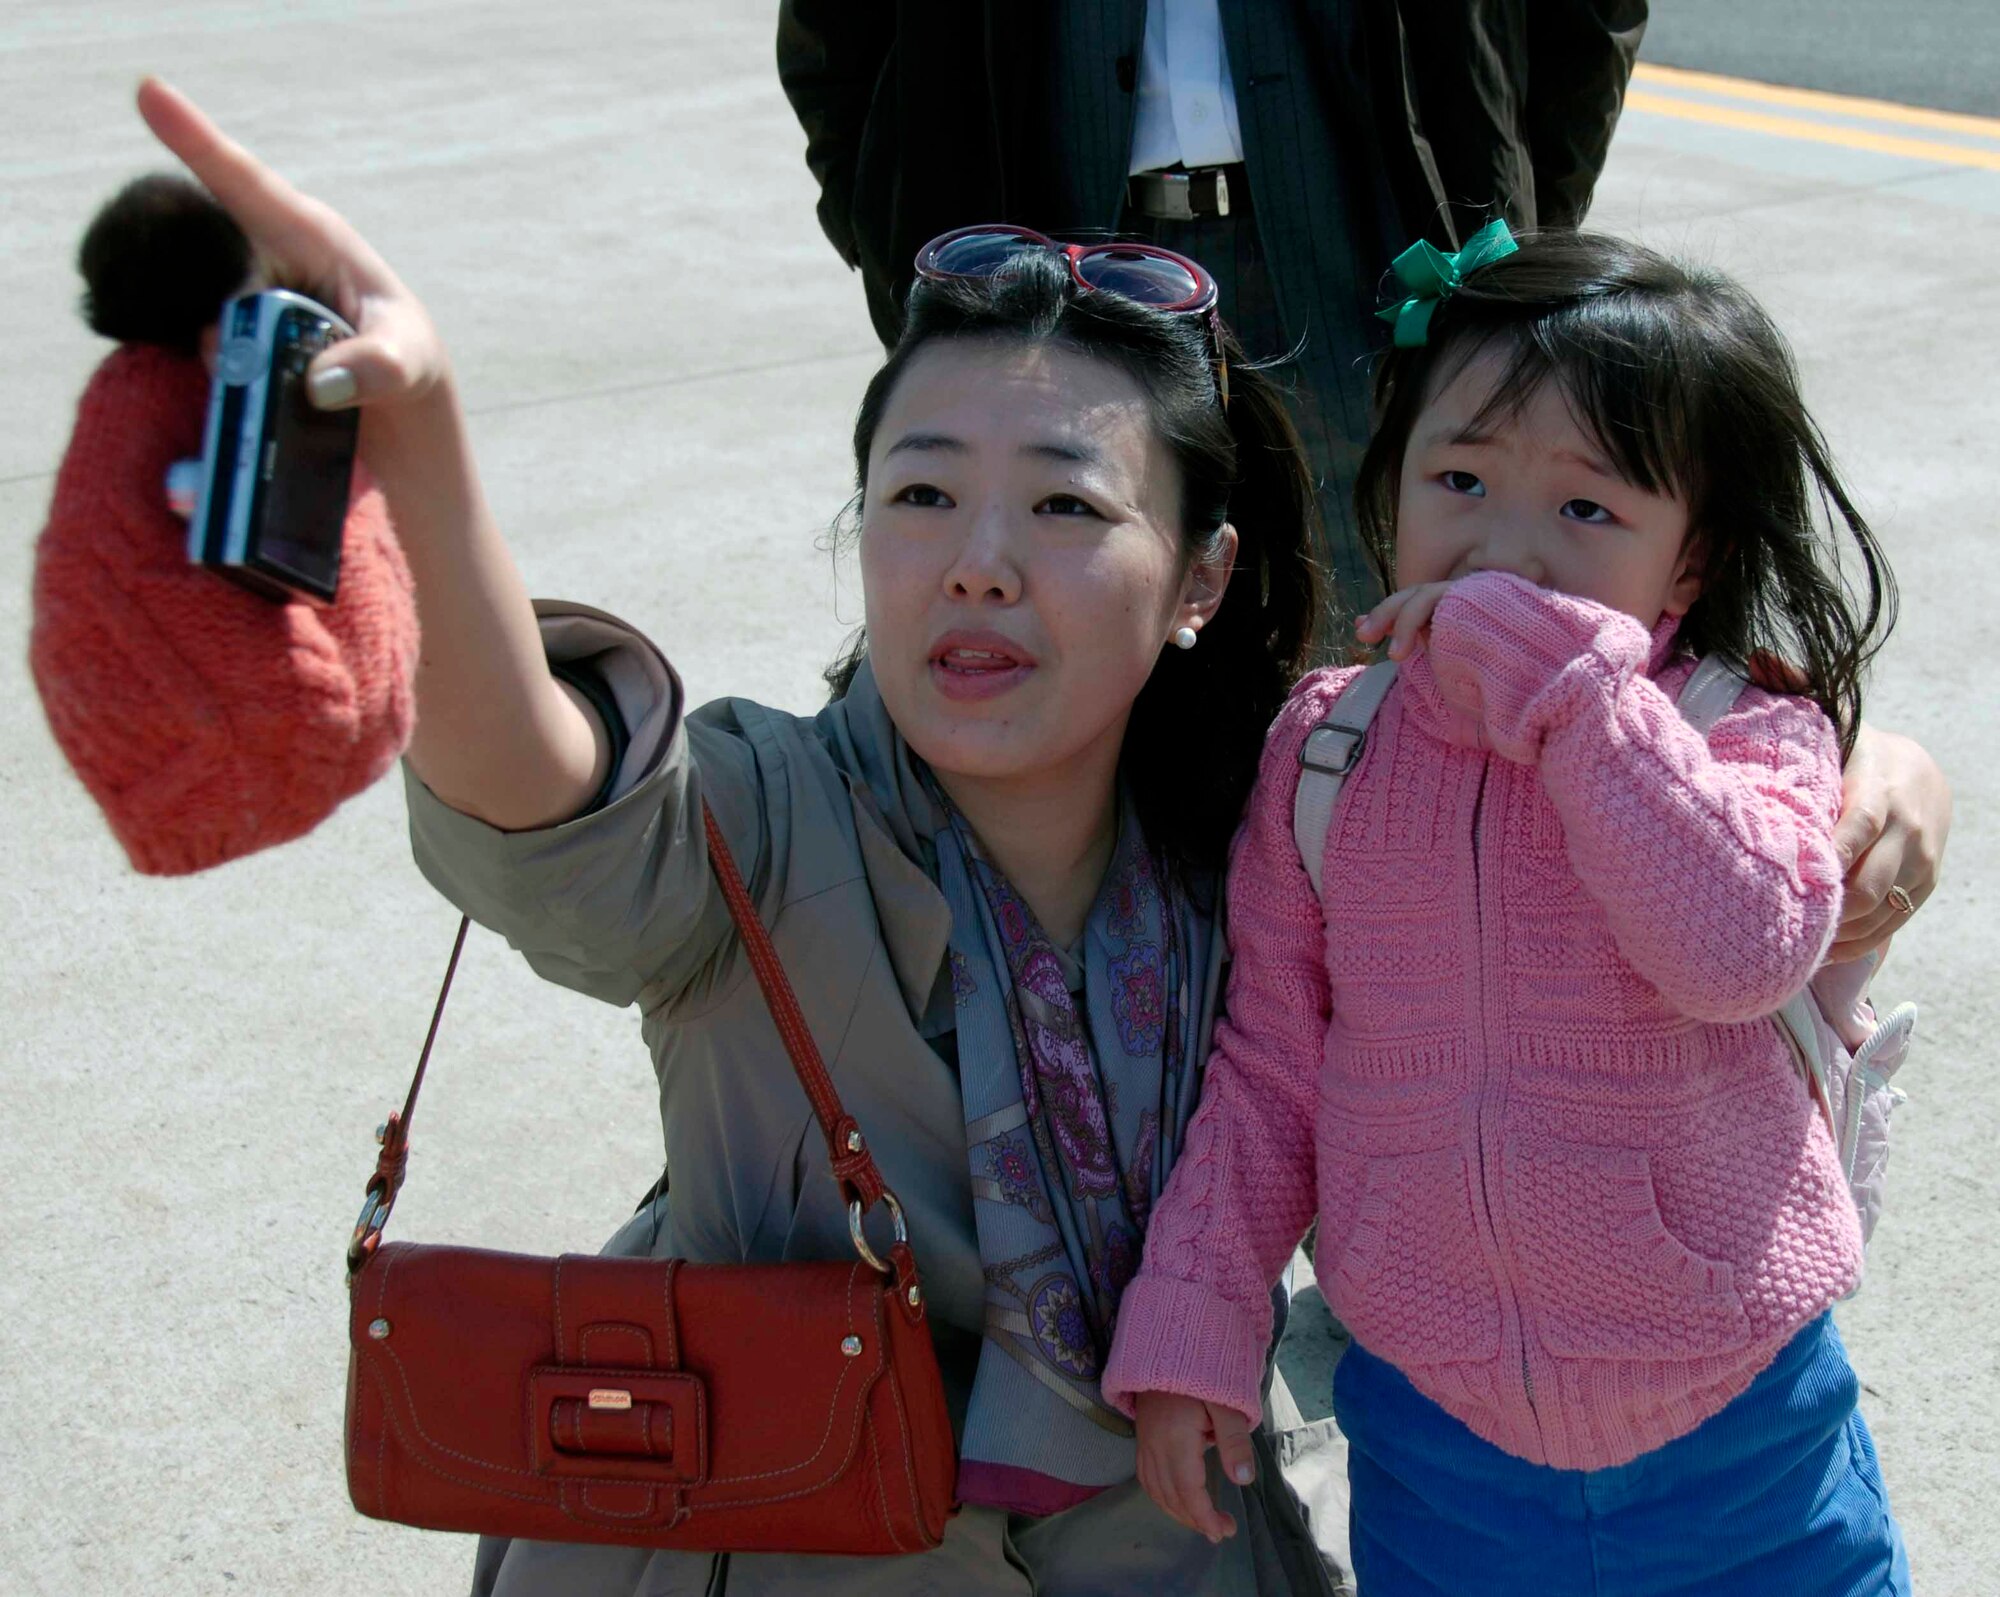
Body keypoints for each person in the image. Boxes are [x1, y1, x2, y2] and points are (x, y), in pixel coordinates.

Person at [132, 80, 1947, 1597]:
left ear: (1206, 578)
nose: (977, 558)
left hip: (1186, 1550)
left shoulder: (1279, 806)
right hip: (780, 1541)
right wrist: (426, 454)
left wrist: (1888, 778)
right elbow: (548, 793)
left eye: (1065, 502)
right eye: (921, 492)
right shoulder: (774, 813)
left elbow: (1665, 847)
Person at [1102, 228, 1915, 1595]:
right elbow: (1270, 1073)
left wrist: (1583, 702)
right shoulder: (1330, 753)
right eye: (1461, 480)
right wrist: (1199, 1316)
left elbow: (1741, 950)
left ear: (1691, 564)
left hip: (1738, 1423)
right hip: (1442, 1438)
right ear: (1395, 484)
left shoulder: (1738, 727)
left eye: (1587, 511)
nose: (1507, 550)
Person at [776, 0, 1650, 615]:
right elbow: (834, 43)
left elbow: (1587, 21)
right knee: (1087, 604)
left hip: (1378, 260)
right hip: (1051, 253)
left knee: (1394, 614)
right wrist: (888, 233)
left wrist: (1526, 219)